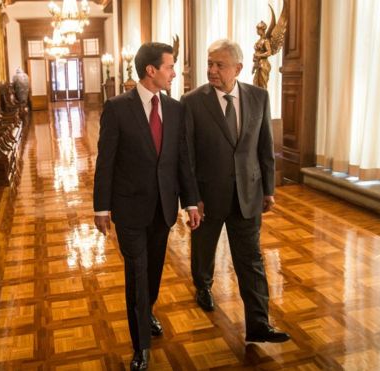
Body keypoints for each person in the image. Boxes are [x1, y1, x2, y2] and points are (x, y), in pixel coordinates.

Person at [94, 42, 201, 370]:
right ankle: (140, 347)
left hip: (163, 209)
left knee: (153, 272)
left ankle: (147, 311)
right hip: (129, 209)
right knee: (137, 275)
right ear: (151, 70)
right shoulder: (117, 108)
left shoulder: (175, 108)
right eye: (170, 67)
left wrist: (191, 201)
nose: (174, 72)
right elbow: (106, 161)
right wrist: (101, 207)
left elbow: (181, 159)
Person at [181, 39, 290, 343]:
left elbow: (264, 147)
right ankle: (202, 285)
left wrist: (269, 188)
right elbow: (186, 155)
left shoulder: (259, 97)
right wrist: (192, 200)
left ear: (238, 68)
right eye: (210, 63)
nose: (212, 70)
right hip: (207, 197)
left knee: (251, 261)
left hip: (248, 195)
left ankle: (258, 325)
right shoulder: (191, 101)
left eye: (219, 64)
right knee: (203, 251)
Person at [252, 22, 272, 89]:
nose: (257, 31)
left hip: (263, 64)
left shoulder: (265, 41)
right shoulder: (259, 40)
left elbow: (269, 52)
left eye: (258, 29)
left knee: (262, 84)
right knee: (256, 84)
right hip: (258, 64)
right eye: (257, 29)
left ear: (262, 30)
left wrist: (259, 55)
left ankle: (263, 99)